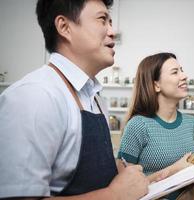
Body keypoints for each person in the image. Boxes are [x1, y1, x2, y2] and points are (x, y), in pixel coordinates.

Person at [0, 0, 149, 199]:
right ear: (64, 27)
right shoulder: (35, 96)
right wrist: (116, 195)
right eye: (102, 20)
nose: (112, 31)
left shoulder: (94, 97)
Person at [117, 52, 194, 199]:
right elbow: (124, 189)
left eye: (181, 70)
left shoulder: (192, 124)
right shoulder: (138, 126)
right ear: (156, 85)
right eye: (175, 72)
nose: (184, 76)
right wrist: (175, 169)